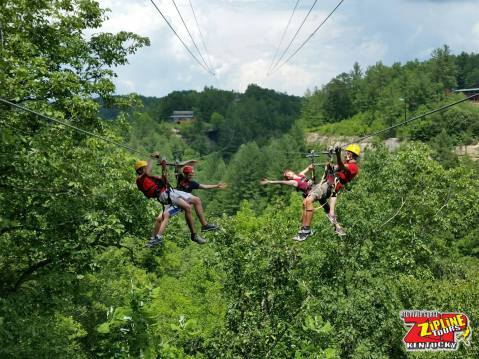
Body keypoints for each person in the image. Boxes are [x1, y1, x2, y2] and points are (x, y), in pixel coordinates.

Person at [135, 155, 218, 248]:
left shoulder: (149, 177)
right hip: (166, 194)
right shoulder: (140, 179)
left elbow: (164, 179)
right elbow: (148, 172)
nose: (146, 169)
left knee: (191, 204)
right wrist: (152, 157)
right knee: (175, 212)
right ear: (140, 170)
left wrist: (164, 167)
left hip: (169, 193)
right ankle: (158, 237)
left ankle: (198, 230)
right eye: (144, 168)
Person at [295, 144, 360, 241]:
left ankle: (307, 230)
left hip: (329, 186)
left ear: (351, 154)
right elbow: (334, 168)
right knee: (305, 203)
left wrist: (337, 155)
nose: (345, 154)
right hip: (326, 184)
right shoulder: (346, 163)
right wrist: (330, 157)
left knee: (308, 201)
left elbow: (342, 167)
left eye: (347, 152)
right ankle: (304, 229)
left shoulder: (353, 167)